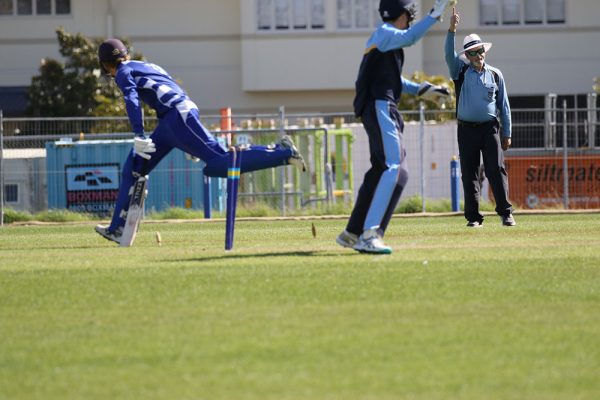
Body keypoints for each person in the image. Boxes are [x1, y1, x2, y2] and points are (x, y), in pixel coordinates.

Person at [94, 38, 306, 244]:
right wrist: (187, 141)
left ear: (105, 66)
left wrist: (139, 133)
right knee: (136, 165)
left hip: (177, 117)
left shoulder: (122, 71)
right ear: (127, 54)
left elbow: (131, 98)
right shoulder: (146, 65)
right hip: (173, 119)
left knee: (219, 164)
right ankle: (118, 228)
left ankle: (283, 152)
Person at [336, 0, 452, 254]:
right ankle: (370, 234)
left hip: (376, 106)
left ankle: (353, 232)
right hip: (380, 107)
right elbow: (411, 37)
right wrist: (434, 15)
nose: (410, 20)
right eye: (409, 16)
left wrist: (423, 90)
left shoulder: (383, 39)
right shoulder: (388, 34)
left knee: (382, 168)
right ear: (403, 15)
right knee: (395, 167)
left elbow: (393, 79)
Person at [445, 7, 516, 227]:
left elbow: (503, 105)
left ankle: (506, 213)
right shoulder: (460, 71)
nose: (478, 55)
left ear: (484, 51)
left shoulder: (495, 74)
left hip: (490, 128)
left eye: (480, 50)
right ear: (466, 55)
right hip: (466, 129)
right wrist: (451, 30)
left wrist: (507, 132)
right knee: (469, 173)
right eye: (473, 52)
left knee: (496, 169)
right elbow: (448, 55)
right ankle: (474, 218)